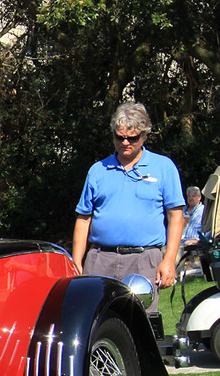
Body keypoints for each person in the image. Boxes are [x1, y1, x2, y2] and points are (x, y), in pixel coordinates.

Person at [71, 101, 185, 297]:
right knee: (96, 322)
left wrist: (169, 260)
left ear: (144, 136)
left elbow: (176, 216)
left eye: (132, 138)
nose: (125, 143)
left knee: (139, 321)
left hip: (145, 259)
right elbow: (83, 219)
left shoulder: (164, 167)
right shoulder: (98, 170)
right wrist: (76, 262)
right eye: (120, 137)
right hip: (100, 260)